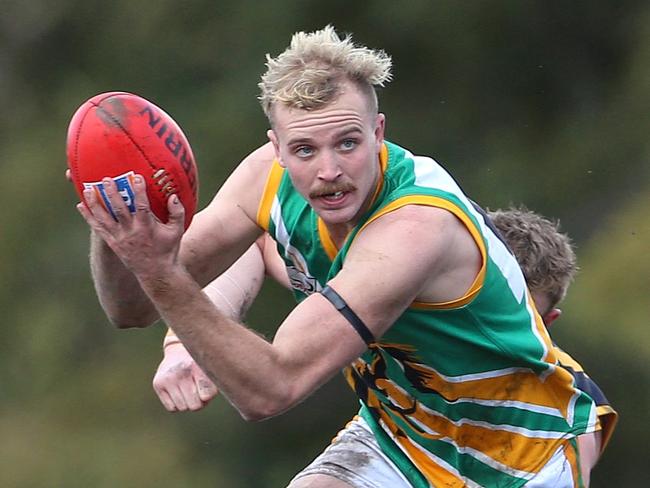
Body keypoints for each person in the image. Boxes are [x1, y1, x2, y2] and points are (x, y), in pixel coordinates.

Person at [76, 26, 599, 487]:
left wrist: (164, 282)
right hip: (403, 432)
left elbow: (271, 389)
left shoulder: (414, 227)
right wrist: (114, 221)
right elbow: (133, 307)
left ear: (378, 133)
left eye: (347, 143)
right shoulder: (267, 180)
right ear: (276, 148)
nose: (328, 170)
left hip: (519, 451)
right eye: (305, 150)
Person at [153, 208, 617, 486]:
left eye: (518, 319)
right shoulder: (390, 284)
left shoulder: (566, 413)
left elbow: (579, 455)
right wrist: (184, 344)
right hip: (398, 436)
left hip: (509, 471)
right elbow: (256, 240)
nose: (487, 330)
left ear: (546, 326)